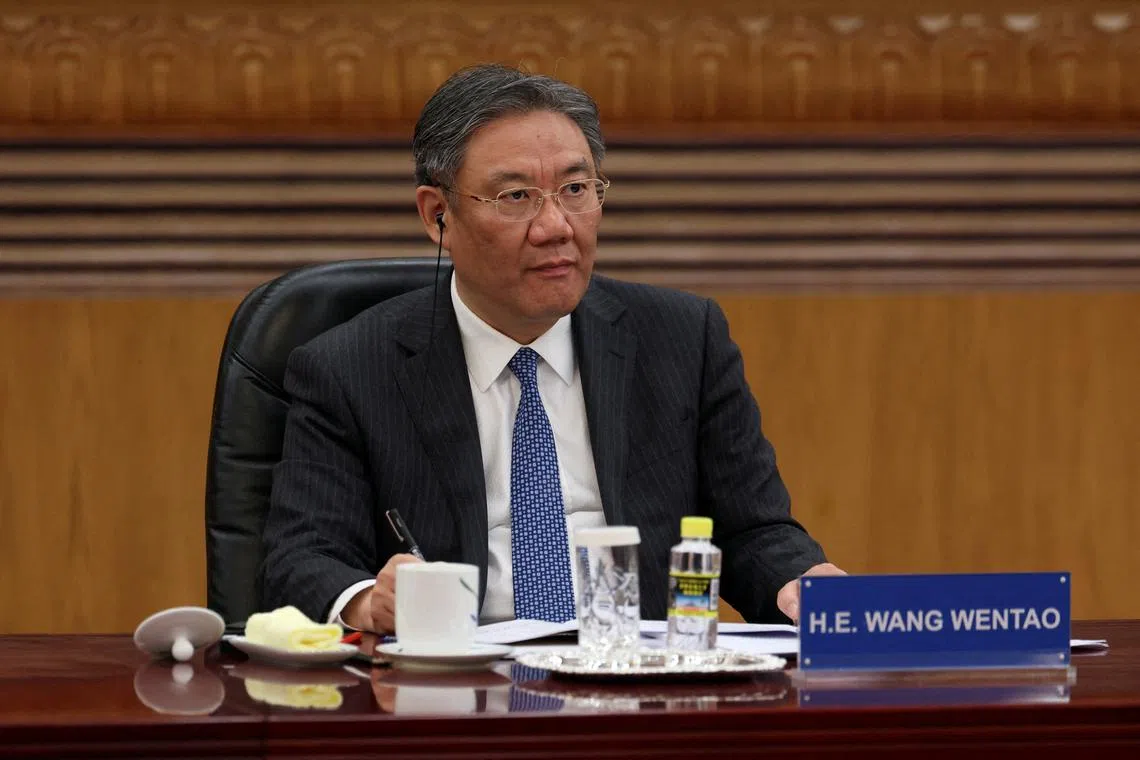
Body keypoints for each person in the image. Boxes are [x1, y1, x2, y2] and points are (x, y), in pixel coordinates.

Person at [260, 63, 843, 634]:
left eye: (575, 189)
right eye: (516, 196)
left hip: (635, 685)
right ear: (438, 216)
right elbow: (302, 559)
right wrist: (369, 601)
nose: (557, 225)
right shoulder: (349, 368)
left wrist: (805, 581)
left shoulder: (684, 338)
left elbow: (753, 531)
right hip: (456, 695)